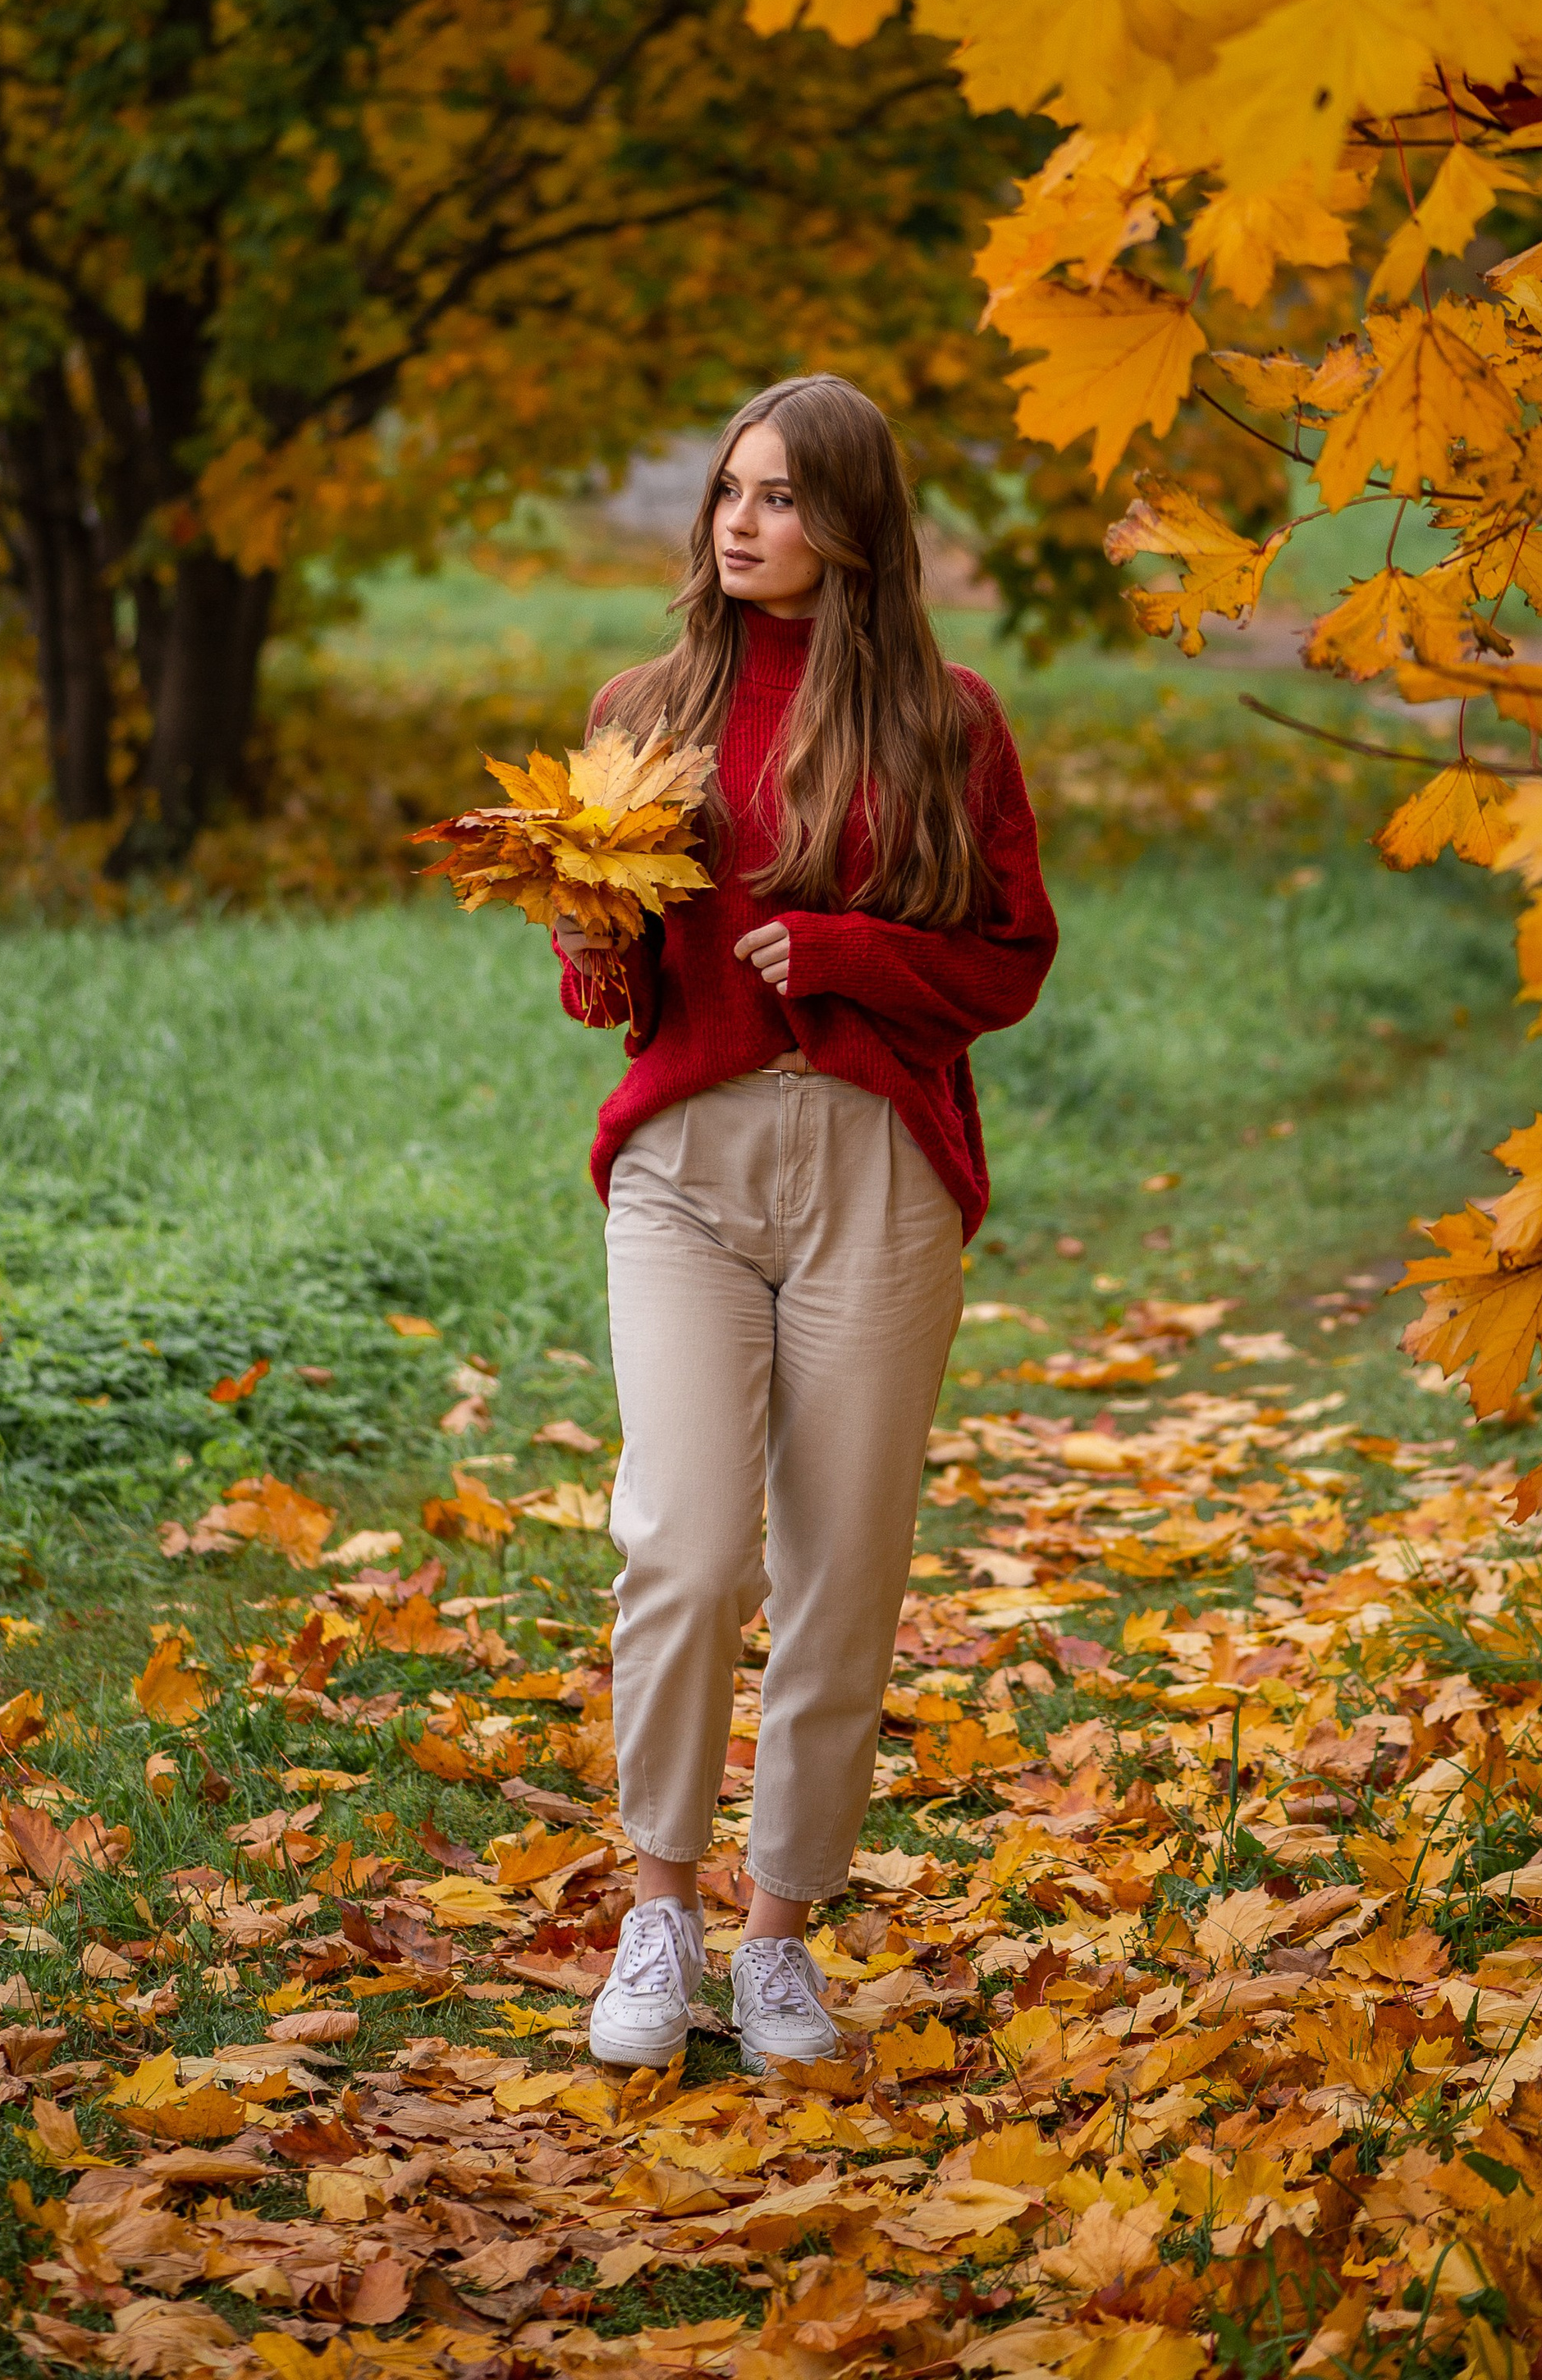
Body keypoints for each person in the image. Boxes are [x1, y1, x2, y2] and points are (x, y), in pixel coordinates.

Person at [551, 374, 1058, 2076]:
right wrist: (589, 937)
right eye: (729, 492)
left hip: (875, 1169)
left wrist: (847, 957)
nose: (740, 523)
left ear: (849, 520)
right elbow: (608, 992)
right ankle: (658, 1913)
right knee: (686, 1547)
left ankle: (777, 1937)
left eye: (778, 496)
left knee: (843, 1573)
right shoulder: (644, 708)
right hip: (684, 1167)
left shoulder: (944, 719)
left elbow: (1009, 960)